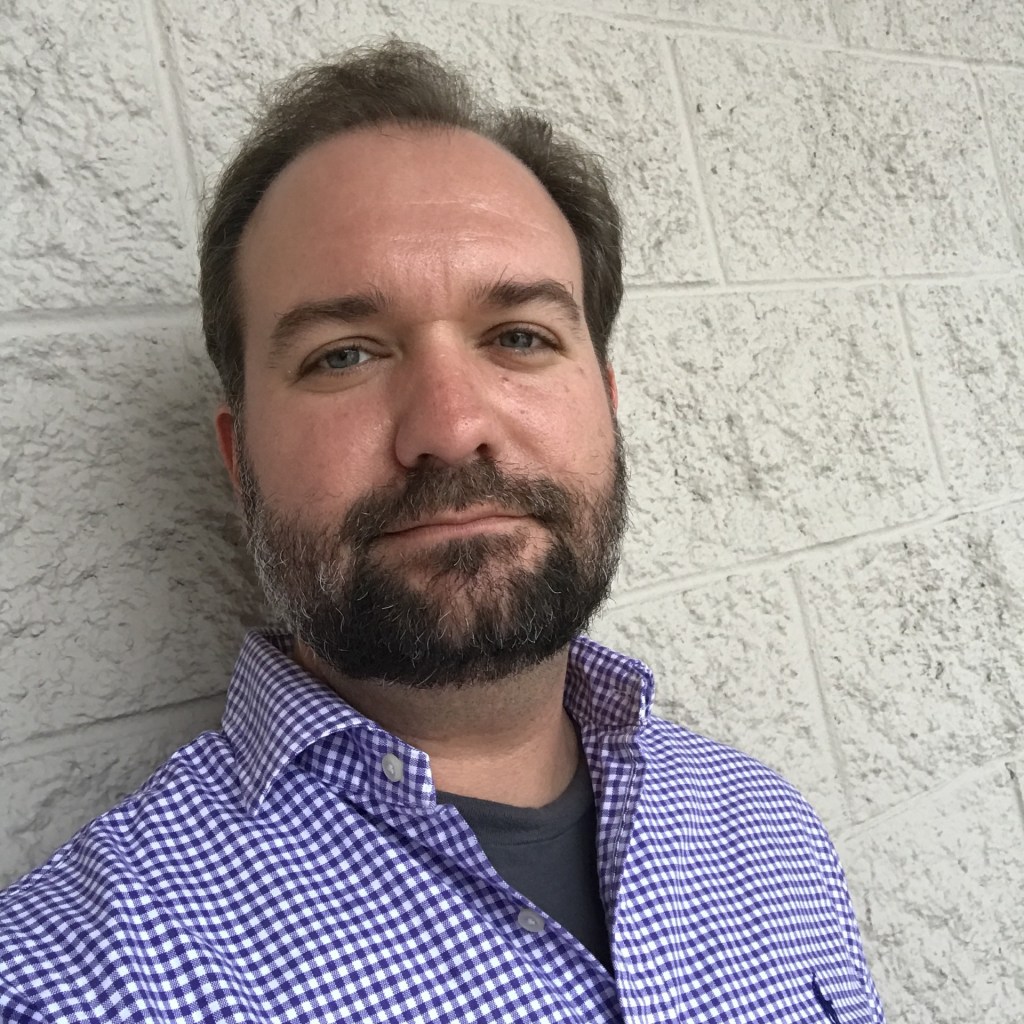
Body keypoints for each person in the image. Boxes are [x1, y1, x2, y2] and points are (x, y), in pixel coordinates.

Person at [0, 40, 885, 1023]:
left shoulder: (767, 831)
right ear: (239, 456)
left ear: (604, 399)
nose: (450, 425)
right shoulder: (75, 977)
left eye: (519, 336)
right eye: (343, 354)